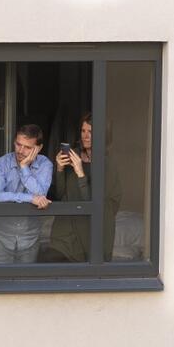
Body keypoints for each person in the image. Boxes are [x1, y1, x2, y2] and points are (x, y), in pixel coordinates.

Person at [42, 112, 122, 262]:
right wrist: (59, 169)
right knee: (50, 263)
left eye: (90, 132)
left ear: (102, 135)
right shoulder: (74, 154)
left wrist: (80, 172)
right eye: (83, 131)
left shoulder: (108, 164)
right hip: (65, 230)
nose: (85, 136)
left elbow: (96, 204)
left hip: (91, 233)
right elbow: (60, 194)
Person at [0, 124, 53, 263]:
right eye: (18, 144)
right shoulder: (1, 164)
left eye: (27, 147)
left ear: (38, 148)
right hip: (1, 237)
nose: (21, 151)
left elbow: (40, 194)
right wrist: (28, 198)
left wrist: (24, 167)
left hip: (29, 238)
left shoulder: (45, 165)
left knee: (26, 283)